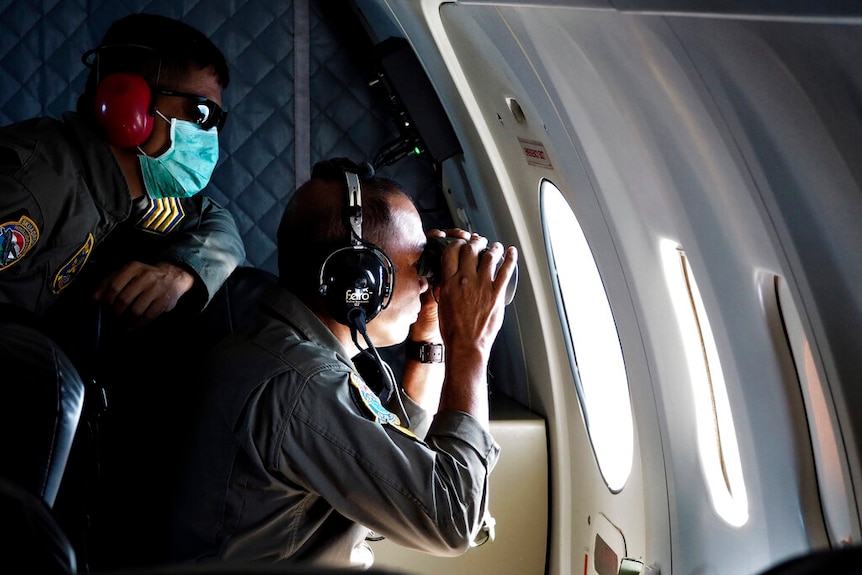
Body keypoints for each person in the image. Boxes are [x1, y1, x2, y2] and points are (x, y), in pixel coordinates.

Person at [170, 157, 518, 568]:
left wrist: (432, 335)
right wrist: (471, 347)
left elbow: (390, 487)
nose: (427, 281)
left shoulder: (282, 351)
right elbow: (451, 518)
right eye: (418, 263)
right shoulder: (301, 385)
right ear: (360, 280)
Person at [0, 12, 245, 569]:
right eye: (200, 114)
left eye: (216, 120)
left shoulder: (121, 194)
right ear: (128, 104)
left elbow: (216, 223)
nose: (209, 136)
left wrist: (181, 272)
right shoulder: (34, 182)